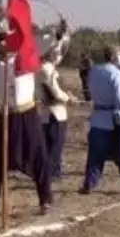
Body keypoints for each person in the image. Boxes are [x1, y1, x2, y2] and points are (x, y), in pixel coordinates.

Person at [0, 33, 53, 215]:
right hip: (6, 115)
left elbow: (43, 43)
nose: (8, 44)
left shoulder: (24, 60)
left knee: (39, 156)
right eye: (3, 41)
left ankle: (45, 200)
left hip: (27, 113)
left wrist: (56, 34)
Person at [81, 45, 120, 197]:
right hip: (115, 120)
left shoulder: (94, 72)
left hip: (98, 118)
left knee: (95, 156)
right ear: (114, 57)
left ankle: (89, 184)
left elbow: (90, 92)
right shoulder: (115, 74)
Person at [39, 45, 72, 182]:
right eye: (56, 53)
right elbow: (56, 92)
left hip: (46, 112)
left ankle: (55, 171)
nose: (58, 56)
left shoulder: (39, 67)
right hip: (55, 112)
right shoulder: (47, 69)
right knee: (55, 145)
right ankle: (48, 173)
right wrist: (69, 98)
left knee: (49, 144)